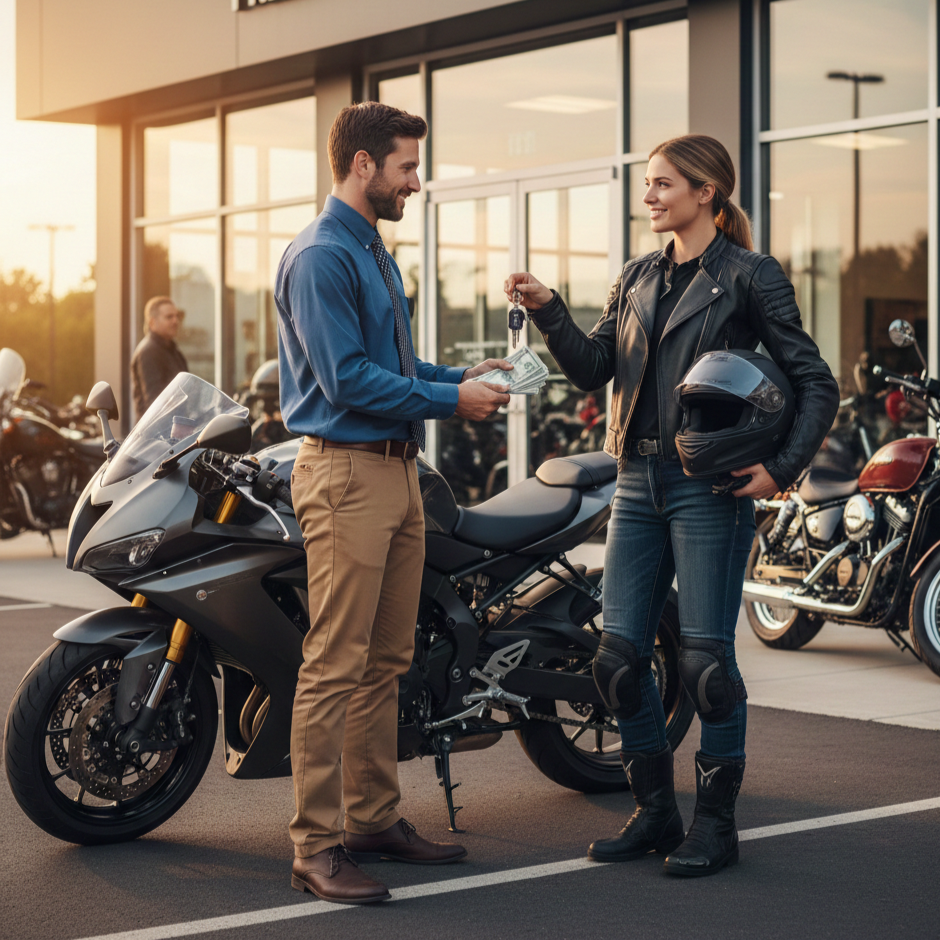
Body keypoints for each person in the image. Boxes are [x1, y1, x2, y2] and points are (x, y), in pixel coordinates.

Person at [505, 135, 839, 877]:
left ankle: (716, 827)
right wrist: (551, 309)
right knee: (618, 660)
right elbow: (594, 367)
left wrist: (781, 469)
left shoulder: (750, 276)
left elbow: (816, 381)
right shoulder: (637, 275)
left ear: (705, 192)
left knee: (705, 664)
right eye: (648, 184)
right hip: (634, 479)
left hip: (708, 488)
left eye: (662, 184)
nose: (650, 195)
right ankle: (655, 811)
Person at [275, 102, 513, 905]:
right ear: (364, 165)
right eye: (407, 166)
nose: (417, 180)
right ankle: (315, 847)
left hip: (396, 473)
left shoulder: (371, 249)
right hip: (346, 476)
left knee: (385, 661)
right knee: (334, 664)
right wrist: (452, 403)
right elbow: (346, 380)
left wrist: (459, 378)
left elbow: (395, 364)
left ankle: (372, 821)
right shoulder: (321, 256)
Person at [130, 296, 187, 418]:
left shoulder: (174, 351)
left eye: (177, 316)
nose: (175, 321)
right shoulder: (148, 352)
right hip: (158, 428)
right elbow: (154, 401)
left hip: (175, 426)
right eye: (169, 317)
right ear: (152, 322)